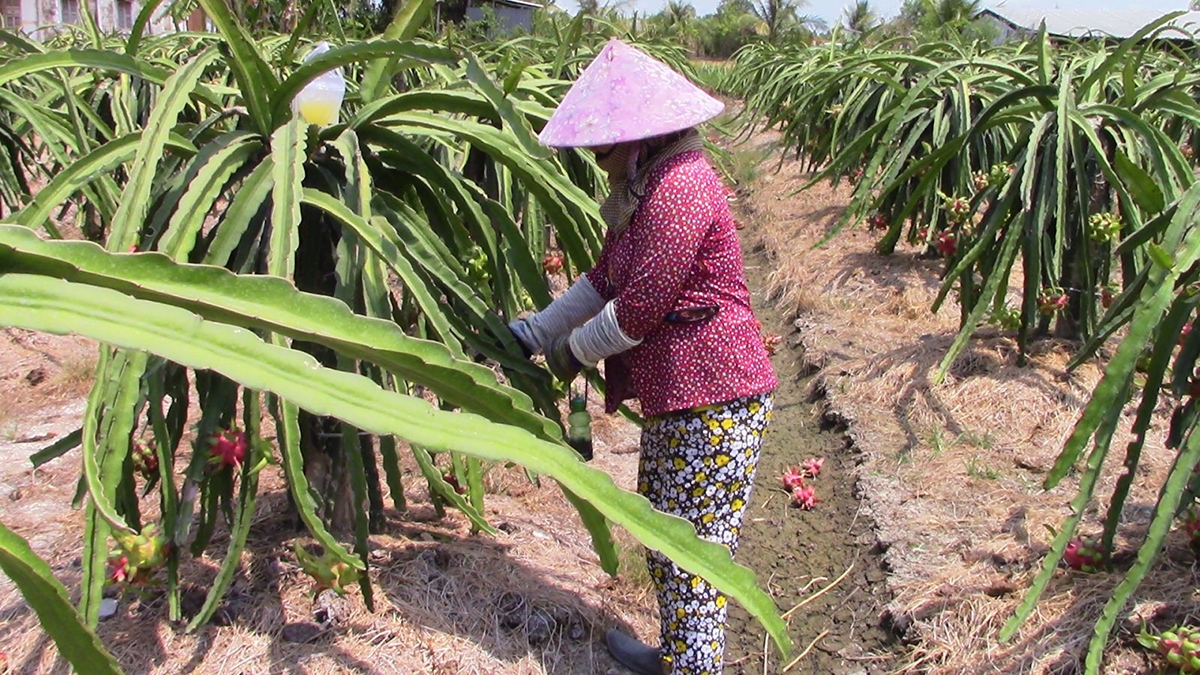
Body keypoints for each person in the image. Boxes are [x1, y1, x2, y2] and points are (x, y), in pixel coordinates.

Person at [508, 38, 777, 675]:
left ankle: (691, 669)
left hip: (714, 395)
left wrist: (570, 353)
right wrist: (538, 330)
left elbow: (639, 307)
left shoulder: (683, 189)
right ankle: (676, 656)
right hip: (680, 395)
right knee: (667, 538)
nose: (598, 163)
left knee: (696, 558)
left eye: (603, 148)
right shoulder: (649, 187)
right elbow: (607, 278)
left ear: (642, 136)